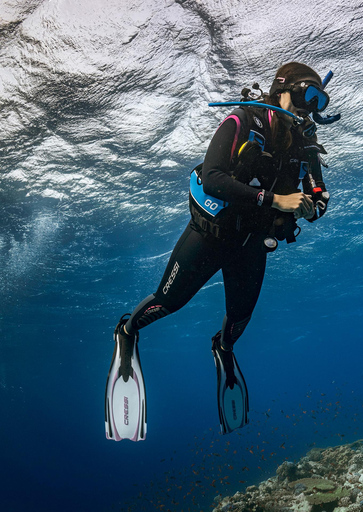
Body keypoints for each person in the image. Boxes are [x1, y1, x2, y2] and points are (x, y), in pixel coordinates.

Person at [105, 62, 336, 441]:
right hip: (211, 234)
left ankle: (223, 347)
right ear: (283, 89)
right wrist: (276, 199)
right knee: (169, 301)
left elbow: (317, 195)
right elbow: (213, 177)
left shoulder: (305, 145)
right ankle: (127, 331)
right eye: (306, 95)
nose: (309, 108)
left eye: (318, 100)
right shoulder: (243, 120)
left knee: (240, 319)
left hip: (252, 244)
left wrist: (314, 204)